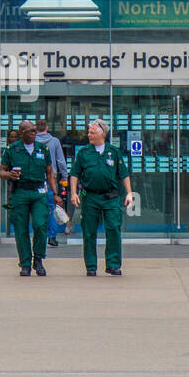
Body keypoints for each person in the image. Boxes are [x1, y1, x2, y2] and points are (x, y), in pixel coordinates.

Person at [69, 118, 132, 277]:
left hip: (111, 197)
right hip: (90, 197)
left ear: (102, 133)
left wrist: (129, 193)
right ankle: (91, 266)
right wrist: (74, 193)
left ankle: (113, 264)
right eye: (89, 132)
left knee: (113, 229)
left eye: (92, 132)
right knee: (89, 232)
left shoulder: (114, 152)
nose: (89, 135)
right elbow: (75, 174)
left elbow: (123, 174)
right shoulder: (83, 152)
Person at [0, 120, 60, 277]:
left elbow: (50, 173)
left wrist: (55, 193)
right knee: (21, 229)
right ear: (22, 133)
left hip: (39, 192)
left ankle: (38, 259)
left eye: (34, 130)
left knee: (40, 225)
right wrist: (9, 175)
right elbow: (1, 172)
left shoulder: (42, 149)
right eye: (31, 131)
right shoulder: (12, 150)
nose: (34, 133)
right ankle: (25, 263)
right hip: (21, 192)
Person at [34, 119, 68, 249]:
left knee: (37, 208)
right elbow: (60, 161)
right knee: (52, 207)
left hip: (35, 180)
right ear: (47, 128)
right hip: (51, 180)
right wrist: (64, 177)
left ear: (36, 129)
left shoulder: (32, 141)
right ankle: (52, 237)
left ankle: (40, 235)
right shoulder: (54, 141)